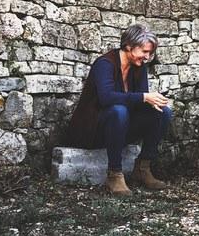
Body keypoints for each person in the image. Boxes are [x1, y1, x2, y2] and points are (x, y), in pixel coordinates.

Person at [65, 23, 173, 196]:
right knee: (118, 110)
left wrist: (152, 102)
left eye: (149, 53)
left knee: (163, 112)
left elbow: (139, 100)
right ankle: (114, 174)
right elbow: (106, 97)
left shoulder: (139, 67)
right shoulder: (105, 64)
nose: (147, 57)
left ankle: (143, 167)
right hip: (93, 130)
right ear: (129, 46)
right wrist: (144, 97)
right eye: (144, 52)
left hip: (121, 128)